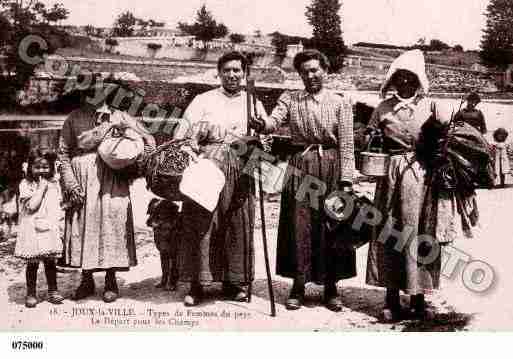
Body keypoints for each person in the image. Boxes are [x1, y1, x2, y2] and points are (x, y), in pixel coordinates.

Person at [364, 50, 467, 322]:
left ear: (419, 80)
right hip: (392, 175)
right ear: (393, 80)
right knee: (390, 230)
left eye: (411, 78)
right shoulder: (383, 108)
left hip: (423, 176)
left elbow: (446, 132)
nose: (405, 83)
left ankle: (418, 296)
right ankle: (391, 297)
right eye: (400, 78)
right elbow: (369, 137)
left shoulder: (430, 106)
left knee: (421, 231)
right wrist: (370, 138)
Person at [253, 49, 356, 312]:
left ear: (325, 71)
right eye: (304, 71)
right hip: (301, 166)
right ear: (299, 75)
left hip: (332, 166)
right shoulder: (291, 99)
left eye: (314, 70)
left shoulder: (340, 102)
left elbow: (346, 144)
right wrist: (261, 124)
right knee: (299, 226)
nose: (310, 76)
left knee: (333, 225)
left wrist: (346, 180)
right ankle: (298, 285)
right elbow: (273, 121)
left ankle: (331, 287)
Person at [176, 51, 267, 306]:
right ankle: (197, 283)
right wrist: (192, 149)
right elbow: (182, 133)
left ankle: (234, 282)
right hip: (207, 165)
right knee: (202, 222)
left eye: (237, 70)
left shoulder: (252, 102)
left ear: (245, 73)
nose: (232, 75)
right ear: (219, 73)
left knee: (237, 222)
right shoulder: (203, 100)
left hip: (240, 166)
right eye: (226, 70)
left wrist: (260, 142)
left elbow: (264, 136)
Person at [58, 83, 155, 303]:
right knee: (85, 225)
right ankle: (86, 278)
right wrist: (70, 183)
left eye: (98, 90)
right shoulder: (73, 118)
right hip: (82, 177)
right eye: (89, 90)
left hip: (113, 176)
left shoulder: (120, 116)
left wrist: (139, 160)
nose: (93, 93)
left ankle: (111, 279)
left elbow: (148, 138)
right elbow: (62, 154)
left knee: (113, 222)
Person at [14, 149, 64, 308]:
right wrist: (41, 189)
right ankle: (31, 293)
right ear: (29, 167)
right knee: (33, 263)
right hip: (32, 230)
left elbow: (57, 205)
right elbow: (31, 206)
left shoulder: (54, 183)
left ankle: (53, 290)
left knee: (50, 262)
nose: (42, 170)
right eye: (37, 167)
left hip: (48, 228)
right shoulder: (26, 184)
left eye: (45, 167)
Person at [146, 198, 181, 291]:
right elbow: (149, 221)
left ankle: (172, 282)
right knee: (164, 258)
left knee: (173, 259)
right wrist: (155, 223)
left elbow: (175, 220)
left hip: (171, 236)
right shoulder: (155, 204)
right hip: (161, 237)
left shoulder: (171, 208)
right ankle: (164, 280)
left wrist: (160, 223)